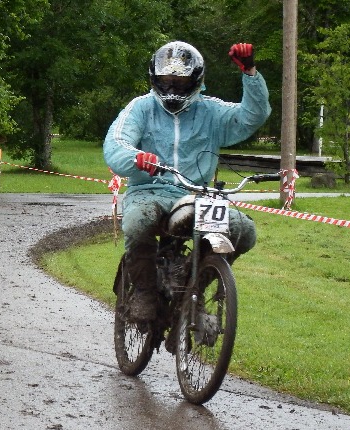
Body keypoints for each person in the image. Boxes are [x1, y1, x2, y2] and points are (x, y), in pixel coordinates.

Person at [104, 41, 271, 321]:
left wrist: (250, 73)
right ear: (154, 79)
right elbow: (116, 143)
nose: (172, 88)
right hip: (150, 190)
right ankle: (144, 292)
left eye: (180, 81)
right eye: (166, 81)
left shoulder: (212, 111)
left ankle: (196, 283)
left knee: (244, 230)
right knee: (137, 222)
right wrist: (137, 158)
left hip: (198, 195)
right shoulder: (140, 108)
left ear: (195, 81)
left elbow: (252, 116)